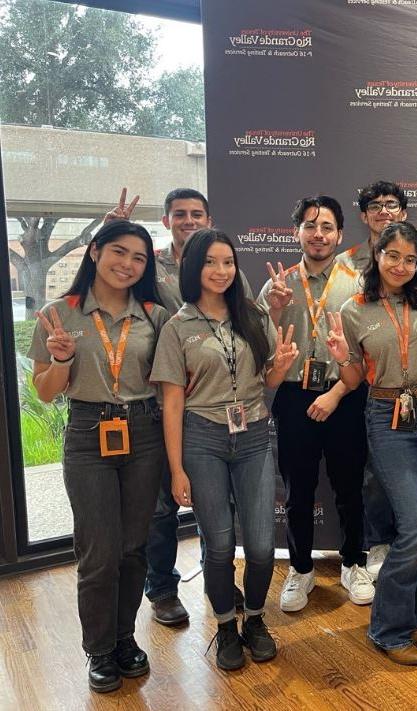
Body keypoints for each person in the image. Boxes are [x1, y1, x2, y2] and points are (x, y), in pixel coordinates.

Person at [28, 220, 170, 693]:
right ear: (94, 252)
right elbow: (46, 393)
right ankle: (99, 649)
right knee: (98, 552)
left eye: (139, 258)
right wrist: (63, 360)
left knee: (133, 548)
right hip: (89, 434)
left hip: (144, 431)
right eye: (118, 252)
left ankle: (125, 639)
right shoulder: (58, 314)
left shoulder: (154, 313)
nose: (127, 264)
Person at [151, 229, 299, 671]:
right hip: (202, 439)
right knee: (218, 545)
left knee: (258, 546)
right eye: (210, 263)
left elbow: (266, 381)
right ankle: (225, 627)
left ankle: (254, 619)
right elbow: (173, 403)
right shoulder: (178, 327)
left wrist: (280, 370)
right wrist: (176, 469)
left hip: (253, 435)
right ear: (193, 268)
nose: (220, 271)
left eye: (228, 262)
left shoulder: (252, 314)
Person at [104, 186, 252, 626]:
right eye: (180, 214)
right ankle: (163, 589)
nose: (189, 220)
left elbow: (247, 324)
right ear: (166, 220)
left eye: (197, 214)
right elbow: (111, 281)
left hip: (211, 408)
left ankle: (219, 578)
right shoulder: (149, 267)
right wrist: (112, 232)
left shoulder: (227, 270)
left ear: (209, 220)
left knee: (214, 502)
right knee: (162, 507)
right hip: (161, 402)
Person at [327, 221, 417, 667]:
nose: (401, 266)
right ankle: (386, 628)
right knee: (415, 525)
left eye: (410, 258)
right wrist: (342, 355)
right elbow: (354, 377)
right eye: (392, 256)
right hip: (386, 416)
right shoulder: (354, 309)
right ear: (376, 256)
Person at [258, 196, 373, 611]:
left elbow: (366, 351)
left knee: (349, 487)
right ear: (297, 232)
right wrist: (272, 311)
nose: (319, 234)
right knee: (297, 490)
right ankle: (301, 569)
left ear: (340, 234)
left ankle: (354, 562)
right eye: (310, 225)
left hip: (345, 392)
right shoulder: (279, 284)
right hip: (292, 398)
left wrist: (336, 392)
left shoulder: (358, 283)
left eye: (327, 227)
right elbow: (259, 347)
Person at [335, 180, 417, 580]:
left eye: (392, 204)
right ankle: (380, 546)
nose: (384, 211)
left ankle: (412, 560)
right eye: (375, 206)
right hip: (372, 388)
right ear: (364, 216)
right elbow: (353, 322)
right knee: (375, 477)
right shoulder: (345, 264)